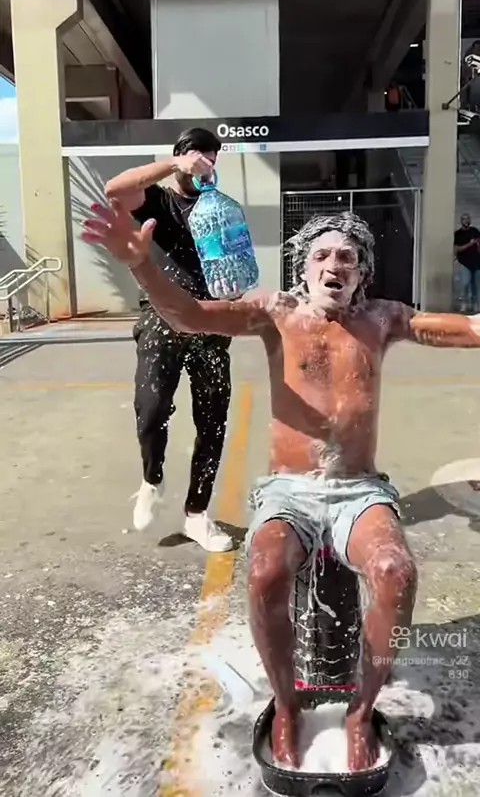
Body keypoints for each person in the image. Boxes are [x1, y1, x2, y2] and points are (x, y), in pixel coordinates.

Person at [81, 204, 480, 773]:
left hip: (358, 490)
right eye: (322, 255)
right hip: (288, 492)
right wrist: (143, 265)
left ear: (363, 272)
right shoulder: (278, 312)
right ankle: (287, 706)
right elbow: (189, 316)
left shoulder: (383, 318)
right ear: (304, 267)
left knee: (396, 571)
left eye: (347, 257)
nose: (334, 265)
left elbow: (468, 329)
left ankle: (361, 711)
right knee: (265, 569)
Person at [104, 128, 232, 552]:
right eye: (197, 155)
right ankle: (151, 479)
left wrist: (235, 289)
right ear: (180, 156)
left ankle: (197, 514)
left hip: (210, 320)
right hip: (160, 318)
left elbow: (234, 260)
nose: (204, 164)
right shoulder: (156, 200)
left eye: (211, 157)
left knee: (212, 422)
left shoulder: (218, 207)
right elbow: (115, 189)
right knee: (151, 407)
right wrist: (175, 164)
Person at [454, 213, 480, 314]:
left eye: (468, 219)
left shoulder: (475, 231)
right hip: (465, 263)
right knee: (465, 284)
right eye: (464, 219)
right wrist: (470, 243)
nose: (466, 221)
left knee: (476, 286)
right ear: (461, 221)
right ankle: (464, 304)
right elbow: (458, 249)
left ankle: (475, 305)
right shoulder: (458, 234)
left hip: (477, 264)